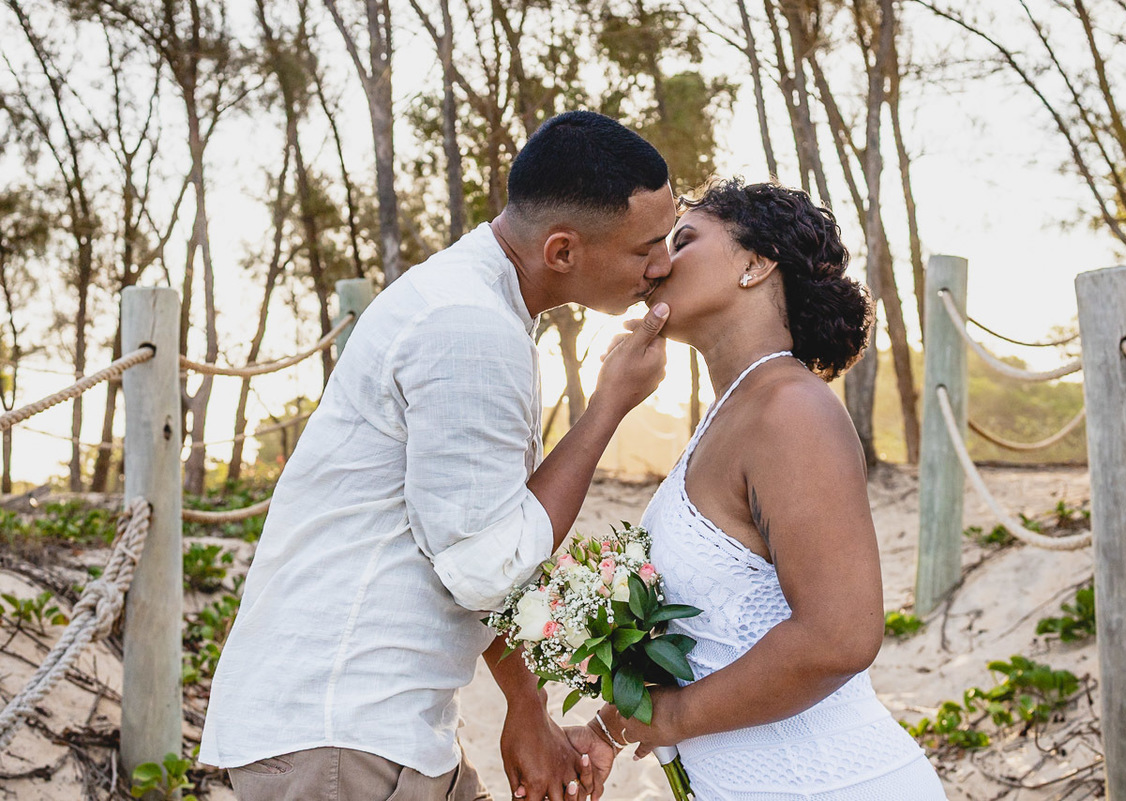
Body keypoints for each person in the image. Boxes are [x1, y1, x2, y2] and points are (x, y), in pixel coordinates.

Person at [199, 110, 678, 801]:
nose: (662, 266)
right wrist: (609, 405)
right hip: (343, 733)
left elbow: (465, 539)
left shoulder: (478, 305)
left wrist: (527, 705)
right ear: (562, 251)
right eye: (647, 248)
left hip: (382, 729)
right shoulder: (468, 326)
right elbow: (486, 566)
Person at [587, 178, 947, 799]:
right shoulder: (732, 413)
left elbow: (839, 637)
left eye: (683, 240)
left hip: (833, 784)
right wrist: (605, 728)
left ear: (754, 265)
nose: (658, 262)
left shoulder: (790, 410)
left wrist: (674, 717)